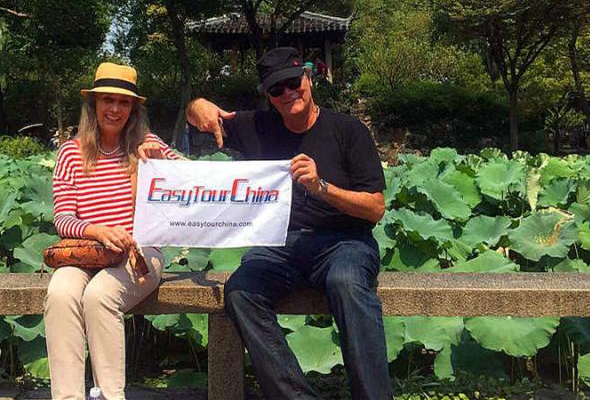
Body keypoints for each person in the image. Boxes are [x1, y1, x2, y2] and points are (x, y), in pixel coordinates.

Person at [187, 47, 390, 400]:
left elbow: (374, 209)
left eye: (293, 83)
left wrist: (321, 186)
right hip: (278, 246)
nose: (287, 94)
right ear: (268, 96)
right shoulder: (257, 127)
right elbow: (197, 113)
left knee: (346, 281)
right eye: (276, 90)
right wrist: (199, 107)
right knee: (240, 292)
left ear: (308, 79)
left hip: (345, 242)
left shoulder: (348, 130)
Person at [45, 62, 182, 400]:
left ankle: (111, 396)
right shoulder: (71, 152)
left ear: (133, 108)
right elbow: (62, 219)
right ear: (94, 105)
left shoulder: (148, 144)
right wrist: (97, 230)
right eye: (108, 100)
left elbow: (194, 184)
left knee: (100, 296)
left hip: (140, 254)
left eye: (124, 102)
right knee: (60, 295)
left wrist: (161, 166)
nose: (115, 109)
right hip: (86, 251)